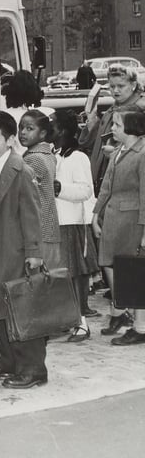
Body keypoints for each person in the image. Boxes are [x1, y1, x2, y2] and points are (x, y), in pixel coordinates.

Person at [0, 111, 47, 389]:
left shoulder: (21, 170)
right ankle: (8, 359)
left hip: (14, 247)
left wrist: (34, 252)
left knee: (21, 306)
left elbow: (32, 215)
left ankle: (33, 367)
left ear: (10, 140)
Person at [92, 110, 145, 345]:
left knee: (132, 273)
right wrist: (95, 215)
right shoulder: (118, 152)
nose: (112, 128)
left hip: (131, 222)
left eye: (117, 125)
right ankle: (121, 312)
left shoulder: (142, 154)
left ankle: (140, 326)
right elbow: (106, 187)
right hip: (113, 221)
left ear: (132, 128)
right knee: (112, 266)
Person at [53, 110, 98, 343]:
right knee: (60, 274)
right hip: (54, 222)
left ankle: (82, 322)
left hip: (71, 221)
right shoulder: (53, 154)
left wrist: (59, 188)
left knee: (76, 273)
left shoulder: (78, 157)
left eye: (52, 124)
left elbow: (85, 190)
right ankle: (66, 318)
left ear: (62, 130)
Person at [79, 63, 145, 191]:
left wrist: (116, 153)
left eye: (121, 86)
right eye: (112, 86)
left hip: (127, 184)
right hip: (106, 178)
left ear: (133, 85)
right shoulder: (113, 109)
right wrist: (92, 120)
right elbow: (95, 143)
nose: (115, 90)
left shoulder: (139, 112)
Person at [17, 110, 62, 272]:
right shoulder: (48, 155)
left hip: (39, 232)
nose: (22, 132)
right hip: (49, 229)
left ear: (43, 133)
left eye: (29, 128)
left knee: (36, 286)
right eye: (21, 127)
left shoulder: (32, 158)